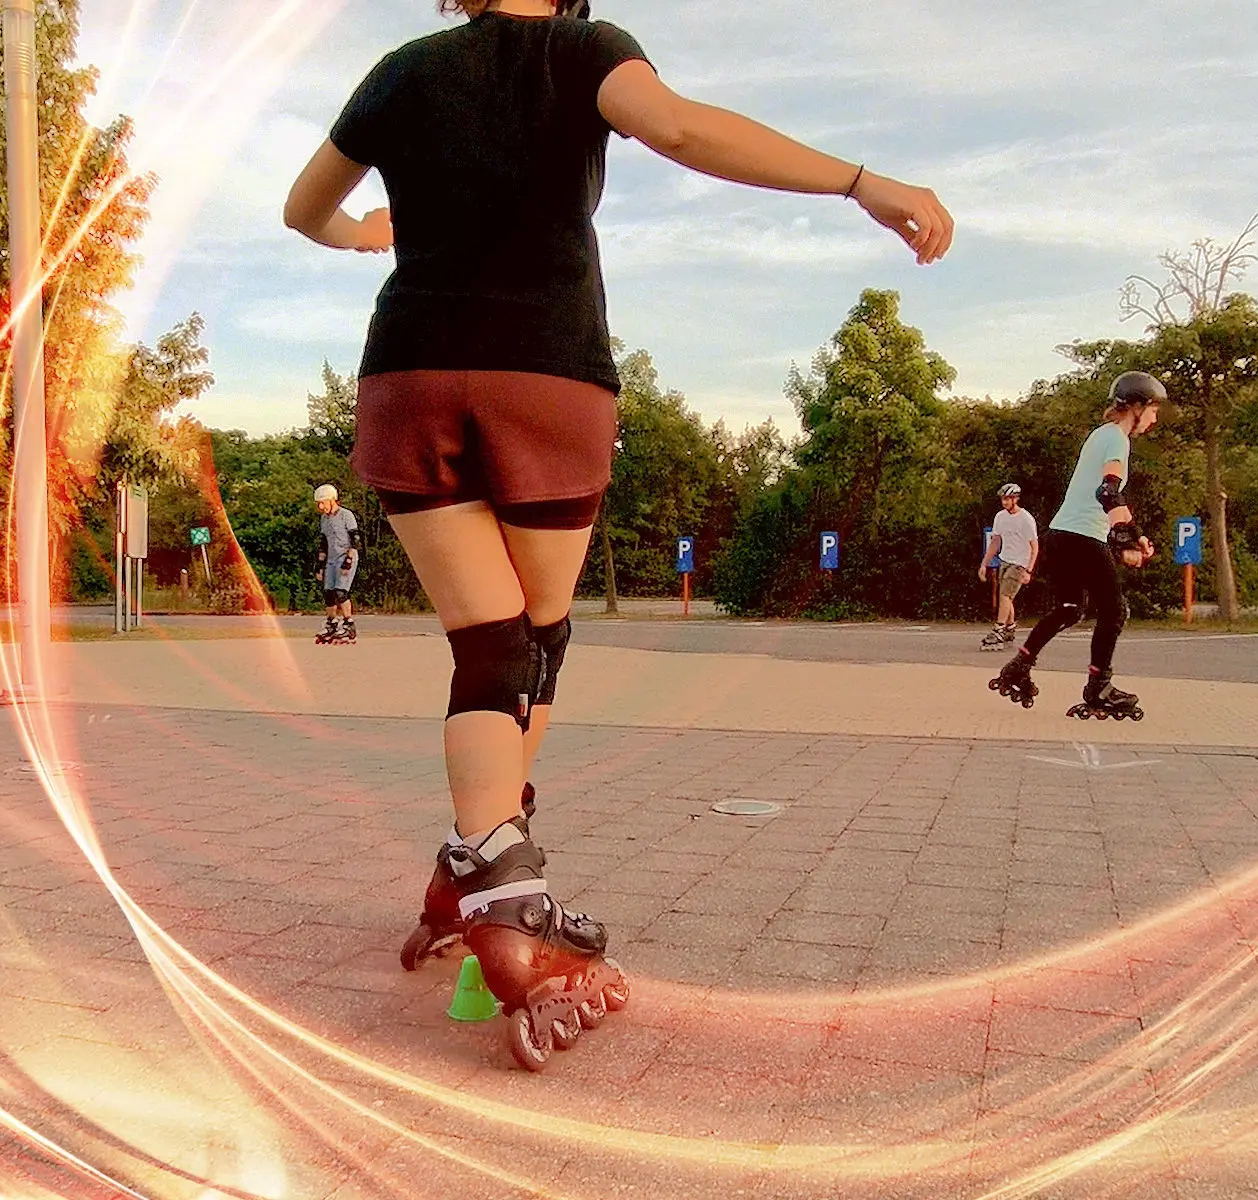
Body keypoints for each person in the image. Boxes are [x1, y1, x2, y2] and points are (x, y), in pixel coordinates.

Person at [284, 0, 952, 1069]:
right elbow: (677, 129)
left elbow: (301, 208)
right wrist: (861, 182)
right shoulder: (583, 49)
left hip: (409, 375)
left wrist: (366, 232)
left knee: (484, 648)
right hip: (544, 381)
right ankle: (507, 898)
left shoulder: (401, 71)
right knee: (532, 648)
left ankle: (478, 859)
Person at [988, 372, 1163, 719]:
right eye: (1154, 409)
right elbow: (1107, 492)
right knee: (1115, 611)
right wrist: (1123, 539)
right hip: (1083, 537)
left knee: (1069, 608)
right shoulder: (1117, 438)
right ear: (1137, 406)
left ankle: (1018, 667)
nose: (1155, 418)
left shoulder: (1101, 436)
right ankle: (1099, 687)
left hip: (1061, 535)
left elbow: (1105, 496)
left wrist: (1134, 532)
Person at [978, 483, 1037, 649]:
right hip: (1005, 559)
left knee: (1004, 595)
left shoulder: (1026, 519)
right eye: (1003, 499)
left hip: (1019, 563)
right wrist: (984, 563)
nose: (1005, 502)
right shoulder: (1000, 517)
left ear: (1016, 499)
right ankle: (1010, 628)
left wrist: (1029, 570)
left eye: (1008, 499)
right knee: (1007, 596)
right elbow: (995, 542)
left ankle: (999, 629)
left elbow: (1034, 546)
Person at [313, 484, 362, 644]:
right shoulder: (324, 519)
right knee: (328, 594)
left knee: (341, 592)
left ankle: (349, 625)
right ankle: (331, 624)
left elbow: (355, 540)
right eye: (318, 504)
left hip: (346, 557)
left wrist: (348, 561)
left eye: (323, 503)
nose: (321, 507)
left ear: (332, 500)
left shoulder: (346, 515)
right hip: (331, 560)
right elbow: (323, 544)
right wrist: (320, 566)